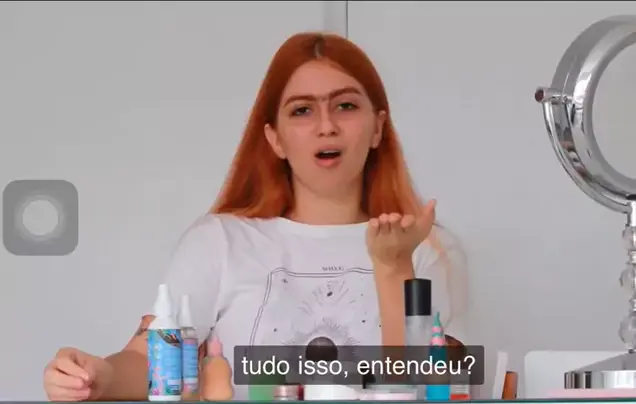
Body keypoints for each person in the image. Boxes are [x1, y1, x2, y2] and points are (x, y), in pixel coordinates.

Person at [42, 31, 469, 401]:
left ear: (377, 127)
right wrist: (98, 376)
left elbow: (432, 386)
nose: (326, 126)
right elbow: (150, 362)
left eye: (345, 106)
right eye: (302, 110)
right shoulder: (218, 241)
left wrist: (394, 268)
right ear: (274, 138)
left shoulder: (426, 248)